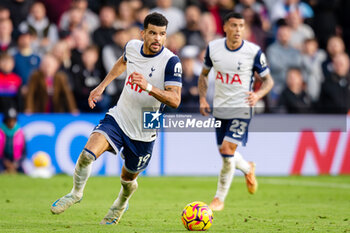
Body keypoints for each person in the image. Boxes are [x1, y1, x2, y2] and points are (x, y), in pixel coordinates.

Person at [50, 12, 182, 225]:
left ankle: (121, 203)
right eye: (153, 33)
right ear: (143, 33)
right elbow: (122, 62)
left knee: (128, 180)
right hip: (119, 117)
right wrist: (102, 86)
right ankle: (75, 193)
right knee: (86, 155)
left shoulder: (171, 61)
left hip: (145, 128)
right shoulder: (131, 46)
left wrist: (148, 87)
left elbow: (175, 100)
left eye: (162, 34)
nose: (158, 38)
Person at [198, 12, 274, 211]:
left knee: (226, 150)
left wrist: (257, 96)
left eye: (241, 26)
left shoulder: (254, 51)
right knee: (226, 155)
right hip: (220, 109)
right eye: (234, 25)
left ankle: (219, 199)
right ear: (225, 27)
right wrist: (202, 98)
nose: (238, 30)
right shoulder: (213, 48)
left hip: (242, 108)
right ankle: (248, 168)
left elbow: (268, 81)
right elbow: (204, 75)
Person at [0, 107, 26, 174]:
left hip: (16, 162)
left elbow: (24, 153)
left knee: (23, 173)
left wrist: (16, 163)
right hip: (2, 162)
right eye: (9, 120)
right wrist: (5, 162)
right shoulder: (1, 132)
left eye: (13, 120)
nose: (11, 123)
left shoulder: (20, 133)